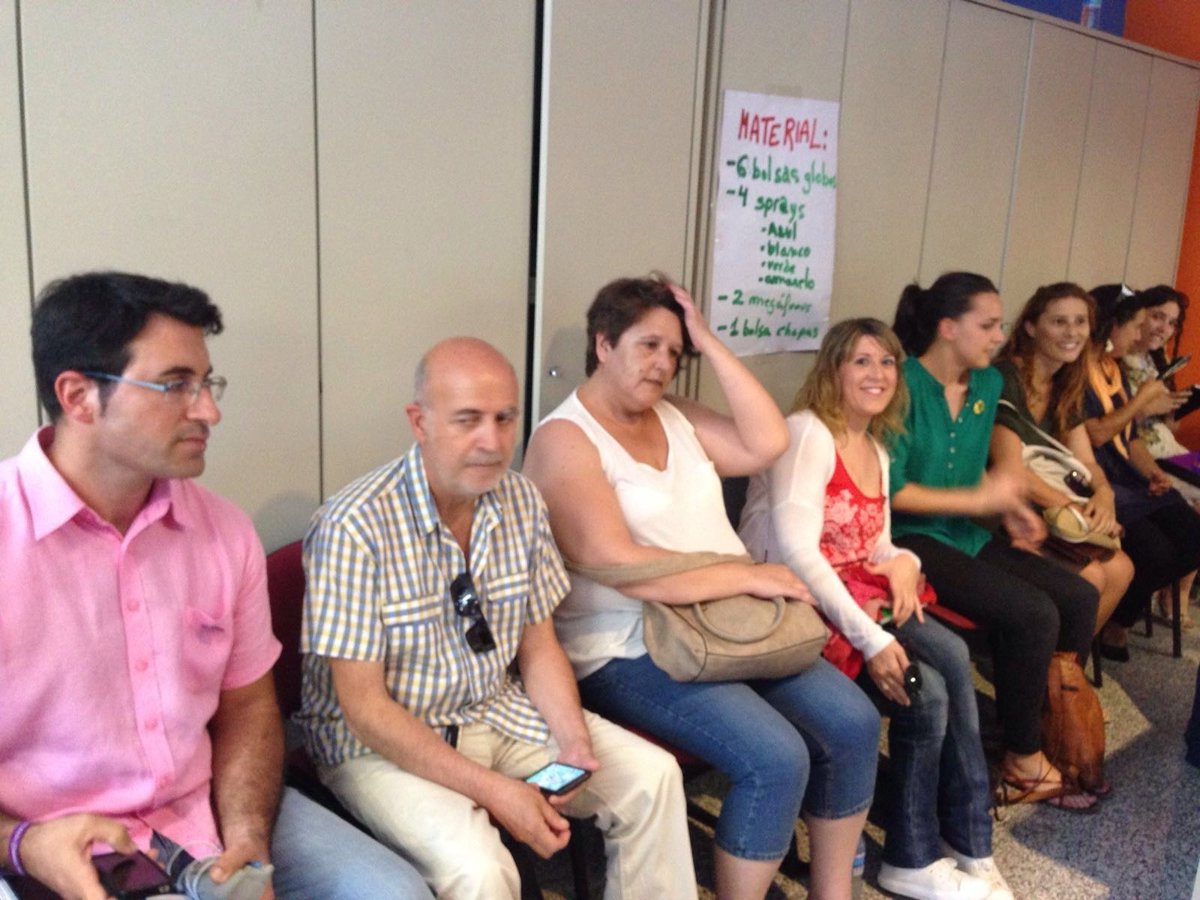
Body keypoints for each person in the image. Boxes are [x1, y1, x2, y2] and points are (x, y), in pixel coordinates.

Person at [0, 271, 431, 900]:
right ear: (79, 396)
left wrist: (248, 838)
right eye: (176, 385)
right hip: (45, 843)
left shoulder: (223, 533)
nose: (209, 410)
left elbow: (248, 708)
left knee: (393, 892)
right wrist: (21, 843)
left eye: (207, 384)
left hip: (202, 811)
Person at [297, 336, 695, 900]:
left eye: (505, 419)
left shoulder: (521, 501)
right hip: (381, 743)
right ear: (419, 422)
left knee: (653, 779)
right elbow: (364, 709)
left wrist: (574, 742)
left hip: (494, 707)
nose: (491, 441)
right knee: (479, 869)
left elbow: (539, 646)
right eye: (468, 420)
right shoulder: (352, 526)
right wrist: (495, 791)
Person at [524, 276, 881, 900]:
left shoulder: (676, 413)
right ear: (603, 345)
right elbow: (617, 562)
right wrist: (746, 574)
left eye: (674, 352)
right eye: (648, 345)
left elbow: (768, 443)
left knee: (854, 722)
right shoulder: (564, 438)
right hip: (628, 644)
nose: (663, 364)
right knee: (776, 758)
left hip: (728, 624)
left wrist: (708, 341)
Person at [740, 318, 1009, 900]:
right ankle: (917, 854)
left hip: (858, 596)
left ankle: (965, 840)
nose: (878, 374)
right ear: (833, 369)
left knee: (951, 656)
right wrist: (874, 638)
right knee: (928, 690)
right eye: (861, 361)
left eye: (887, 362)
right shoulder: (809, 433)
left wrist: (906, 560)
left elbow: (877, 543)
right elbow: (798, 554)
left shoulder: (877, 446)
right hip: (798, 603)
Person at [887, 271, 1100, 810]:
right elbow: (894, 493)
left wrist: (1011, 508)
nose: (999, 336)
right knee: (1033, 614)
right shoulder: (901, 384)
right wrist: (981, 500)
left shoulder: (986, 385)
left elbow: (983, 475)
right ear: (948, 327)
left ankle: (1043, 732)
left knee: (1079, 596)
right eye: (988, 325)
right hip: (910, 540)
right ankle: (1022, 764)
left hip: (967, 533)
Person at [989, 283, 1133, 637]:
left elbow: (1087, 461)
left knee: (1122, 569)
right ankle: (1047, 664)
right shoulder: (1005, 377)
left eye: (1080, 322)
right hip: (1001, 511)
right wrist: (1075, 508)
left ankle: (1067, 666)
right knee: (1092, 577)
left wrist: (1104, 495)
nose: (1072, 332)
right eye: (1059, 322)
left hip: (1050, 510)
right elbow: (1012, 471)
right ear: (1030, 327)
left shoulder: (1065, 384)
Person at [1082, 285, 1200, 660]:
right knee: (1155, 551)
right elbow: (1098, 433)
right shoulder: (1080, 372)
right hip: (1099, 478)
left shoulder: (1113, 368)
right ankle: (1115, 624)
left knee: (1193, 535)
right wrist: (1141, 401)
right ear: (1111, 326)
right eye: (1136, 325)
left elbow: (1131, 439)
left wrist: (1152, 473)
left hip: (1130, 474)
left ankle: (1120, 617)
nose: (1139, 335)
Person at [1119, 284, 1198, 626]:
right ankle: (1172, 592)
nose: (1163, 328)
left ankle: (1176, 589)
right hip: (1142, 454)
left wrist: (1173, 408)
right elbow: (1113, 424)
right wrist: (1148, 407)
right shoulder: (1117, 359)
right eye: (1157, 317)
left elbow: (1167, 427)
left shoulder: (1156, 360)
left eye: (1171, 322)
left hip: (1164, 445)